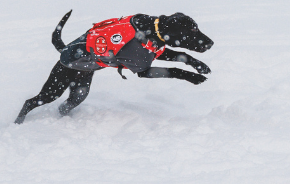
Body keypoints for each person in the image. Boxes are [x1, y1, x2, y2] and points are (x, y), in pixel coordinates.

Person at [14, 11, 214, 124]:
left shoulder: (150, 26)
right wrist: (184, 74)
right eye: (190, 33)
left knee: (77, 98)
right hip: (72, 62)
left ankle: (62, 117)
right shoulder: (135, 43)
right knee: (48, 96)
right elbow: (144, 71)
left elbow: (157, 51)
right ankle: (22, 115)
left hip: (88, 66)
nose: (197, 38)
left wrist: (191, 61)